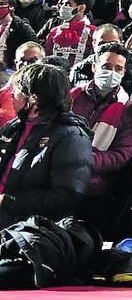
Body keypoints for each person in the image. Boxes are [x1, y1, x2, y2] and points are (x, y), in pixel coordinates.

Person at [0, 63, 93, 226]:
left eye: (17, 90)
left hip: (28, 228)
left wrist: (8, 201)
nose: (12, 94)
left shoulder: (71, 137)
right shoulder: (15, 126)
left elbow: (66, 196)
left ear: (34, 98)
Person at [69, 42, 132, 239]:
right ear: (94, 66)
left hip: (94, 191)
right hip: (60, 183)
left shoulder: (127, 108)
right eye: (106, 67)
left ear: (124, 72)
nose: (111, 73)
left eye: (118, 68)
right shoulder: (73, 96)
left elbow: (122, 153)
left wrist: (86, 160)